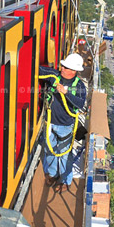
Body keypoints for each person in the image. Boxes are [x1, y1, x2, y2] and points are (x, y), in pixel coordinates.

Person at [38, 52, 87, 191]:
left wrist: (66, 93)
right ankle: (53, 174)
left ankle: (65, 180)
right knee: (50, 151)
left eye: (66, 68)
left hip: (66, 126)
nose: (63, 69)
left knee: (65, 154)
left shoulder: (79, 86)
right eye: (63, 66)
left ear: (74, 71)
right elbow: (38, 70)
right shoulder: (55, 77)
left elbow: (79, 104)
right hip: (50, 123)